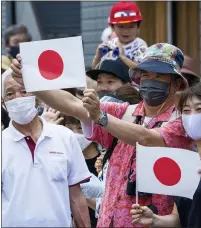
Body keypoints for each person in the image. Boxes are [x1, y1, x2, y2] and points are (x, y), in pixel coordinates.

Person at [11, 43, 193, 227]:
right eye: (146, 74)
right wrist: (33, 83)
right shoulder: (124, 112)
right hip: (108, 220)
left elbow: (144, 137)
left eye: (159, 75)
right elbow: (73, 105)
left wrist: (101, 117)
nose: (150, 80)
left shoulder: (181, 121)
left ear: (176, 83)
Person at [2, 69, 91, 227]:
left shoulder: (65, 137)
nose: (17, 98)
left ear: (38, 96)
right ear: (3, 102)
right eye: (10, 94)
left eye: (24, 91)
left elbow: (76, 197)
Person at [130, 82, 201, 228]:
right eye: (186, 111)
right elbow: (178, 218)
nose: (192, 117)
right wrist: (155, 220)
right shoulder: (185, 160)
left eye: (199, 109)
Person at [92, 1, 148, 69]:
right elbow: (95, 71)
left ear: (138, 27)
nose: (126, 31)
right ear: (112, 27)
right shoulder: (110, 44)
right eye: (121, 26)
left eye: (131, 26)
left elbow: (141, 71)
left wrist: (122, 57)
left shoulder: (140, 45)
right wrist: (98, 56)